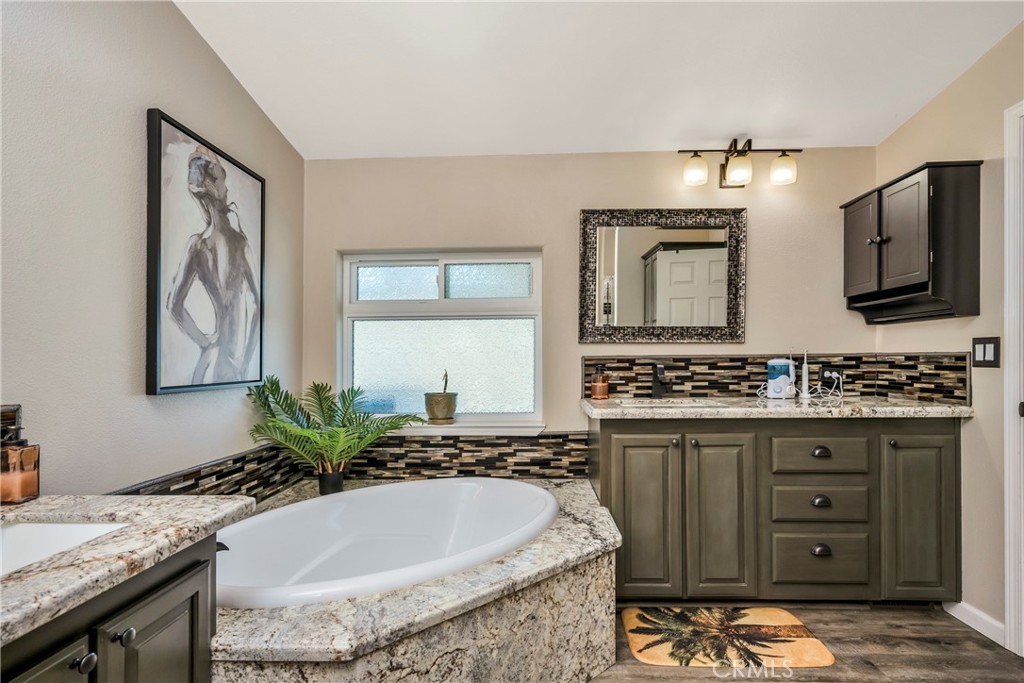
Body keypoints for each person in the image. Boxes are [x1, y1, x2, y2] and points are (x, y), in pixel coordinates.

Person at [166, 145, 259, 384]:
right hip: (233, 361)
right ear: (220, 188)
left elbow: (174, 305)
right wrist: (247, 359)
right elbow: (261, 306)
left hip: (211, 360)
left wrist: (206, 343)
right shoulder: (240, 244)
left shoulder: (197, 246)